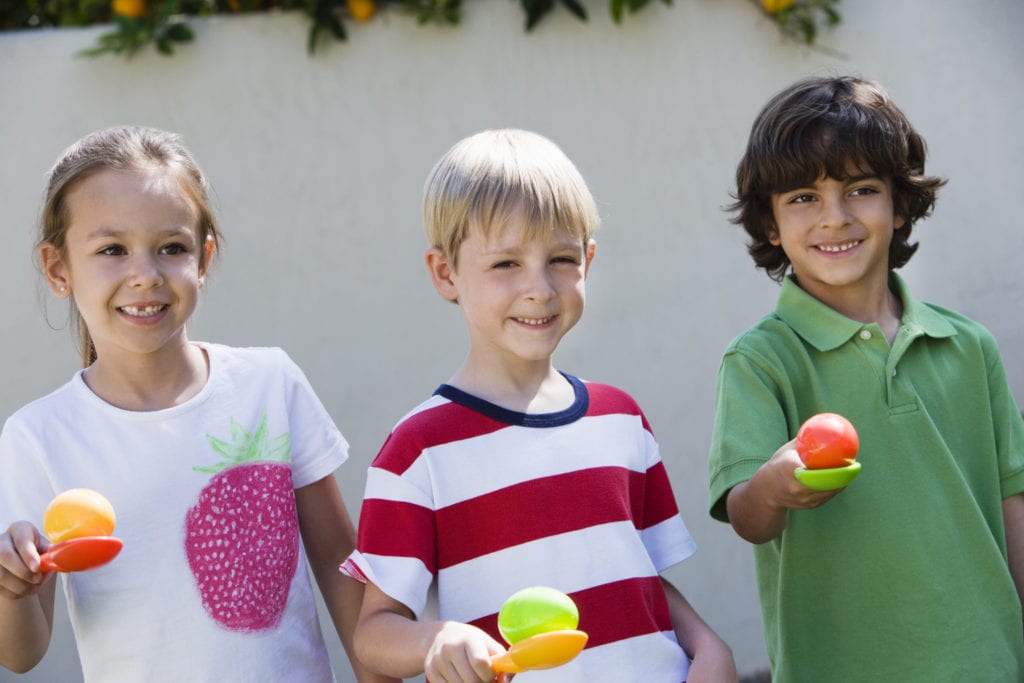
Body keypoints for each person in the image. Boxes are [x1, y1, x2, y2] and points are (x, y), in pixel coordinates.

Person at [340, 128, 737, 683]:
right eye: (506, 264)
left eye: (559, 259)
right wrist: (439, 640)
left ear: (588, 260)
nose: (540, 288)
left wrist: (709, 646)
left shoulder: (621, 418)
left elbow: (642, 581)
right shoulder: (417, 451)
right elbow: (374, 634)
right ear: (445, 273)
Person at [0, 126, 394, 683]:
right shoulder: (36, 436)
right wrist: (12, 588)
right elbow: (21, 654)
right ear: (58, 269)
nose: (146, 274)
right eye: (112, 250)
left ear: (203, 257)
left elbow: (340, 564)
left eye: (171, 248)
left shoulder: (270, 384)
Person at [708, 76, 1024, 681]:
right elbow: (748, 516)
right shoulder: (760, 361)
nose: (836, 218)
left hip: (988, 662)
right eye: (803, 197)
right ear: (770, 223)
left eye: (861, 189)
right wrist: (774, 487)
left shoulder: (969, 346)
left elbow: (1012, 510)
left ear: (900, 204)